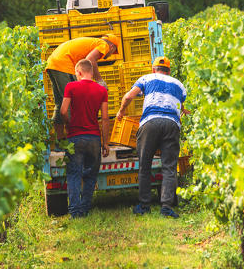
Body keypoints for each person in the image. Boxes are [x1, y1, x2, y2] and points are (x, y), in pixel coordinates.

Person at [116, 56, 189, 218]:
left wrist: (121, 111)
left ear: (153, 69)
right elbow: (180, 104)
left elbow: (128, 97)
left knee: (145, 164)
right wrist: (182, 112)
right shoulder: (179, 84)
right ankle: (166, 207)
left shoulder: (146, 78)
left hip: (150, 122)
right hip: (171, 124)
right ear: (169, 71)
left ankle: (144, 205)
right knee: (169, 167)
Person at [60, 59, 110, 218]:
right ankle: (85, 209)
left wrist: (68, 124)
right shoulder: (101, 90)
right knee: (91, 174)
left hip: (75, 137)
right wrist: (106, 142)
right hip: (94, 138)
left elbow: (62, 111)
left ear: (79, 72)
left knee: (74, 174)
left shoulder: (71, 87)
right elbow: (105, 118)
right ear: (92, 71)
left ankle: (75, 212)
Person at [46, 34, 120, 141]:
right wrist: (99, 80)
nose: (110, 54)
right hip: (63, 64)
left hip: (53, 63)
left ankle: (60, 140)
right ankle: (75, 137)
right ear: (112, 47)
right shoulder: (103, 44)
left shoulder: (93, 42)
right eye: (113, 52)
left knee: (61, 103)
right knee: (73, 102)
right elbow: (90, 59)